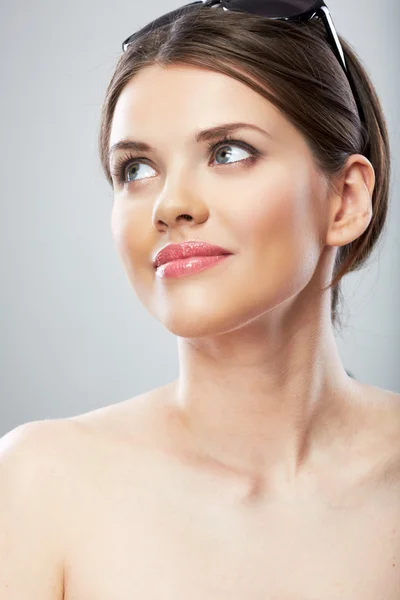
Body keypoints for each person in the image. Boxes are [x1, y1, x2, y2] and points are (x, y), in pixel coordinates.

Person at [1, 1, 398, 598]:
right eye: (136, 168)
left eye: (228, 152)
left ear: (344, 201)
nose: (170, 204)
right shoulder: (35, 486)